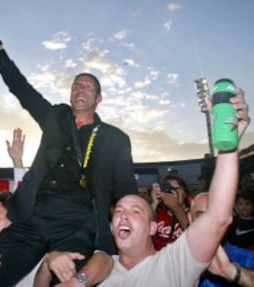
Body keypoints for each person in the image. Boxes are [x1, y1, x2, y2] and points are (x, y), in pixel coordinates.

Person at [0, 23, 138, 286]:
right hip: (34, 215)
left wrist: (134, 232)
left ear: (99, 98)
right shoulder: (55, 116)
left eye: (88, 87)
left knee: (68, 280)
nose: (80, 89)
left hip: (77, 222)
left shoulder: (115, 139)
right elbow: (22, 89)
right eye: (76, 85)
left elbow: (127, 191)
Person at [94, 88, 249, 286]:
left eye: (135, 211)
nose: (124, 215)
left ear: (153, 228)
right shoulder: (96, 269)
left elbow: (217, 217)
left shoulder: (173, 264)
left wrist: (229, 143)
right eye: (119, 210)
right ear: (111, 228)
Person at [190, 192, 254, 287]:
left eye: (216, 218)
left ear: (228, 221)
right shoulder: (175, 256)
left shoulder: (246, 258)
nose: (208, 225)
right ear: (190, 219)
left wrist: (232, 272)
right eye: (200, 217)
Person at [151, 173, 190, 250]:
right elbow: (143, 236)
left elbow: (196, 238)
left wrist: (176, 207)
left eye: (176, 189)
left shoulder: (193, 212)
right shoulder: (157, 214)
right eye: (169, 189)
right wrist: (154, 203)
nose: (172, 192)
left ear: (185, 193)